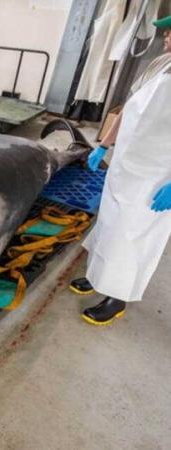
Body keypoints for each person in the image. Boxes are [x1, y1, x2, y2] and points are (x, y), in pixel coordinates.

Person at [68, 16, 171, 326]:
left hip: (156, 177)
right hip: (126, 165)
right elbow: (129, 107)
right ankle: (99, 277)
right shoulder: (160, 65)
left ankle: (118, 297)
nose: (165, 38)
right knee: (110, 225)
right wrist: (104, 144)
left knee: (132, 236)